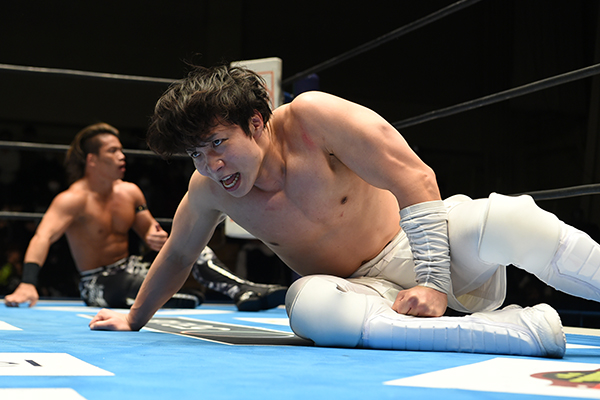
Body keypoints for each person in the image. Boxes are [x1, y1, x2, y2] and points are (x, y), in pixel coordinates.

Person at [89, 65, 600, 359]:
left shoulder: (314, 120)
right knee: (308, 306)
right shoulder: (209, 190)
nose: (211, 164)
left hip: (421, 245)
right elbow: (179, 255)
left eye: (218, 143)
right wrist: (135, 317)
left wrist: (434, 282)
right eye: (196, 153)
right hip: (367, 295)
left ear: (257, 122)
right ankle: (520, 334)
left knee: (512, 219)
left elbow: (415, 178)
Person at [3, 122, 287, 311]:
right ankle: (157, 299)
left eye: (121, 149)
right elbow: (42, 237)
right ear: (92, 160)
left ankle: (242, 290)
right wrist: (28, 282)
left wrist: (154, 235)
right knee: (179, 298)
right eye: (113, 151)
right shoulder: (72, 200)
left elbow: (155, 235)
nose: (122, 156)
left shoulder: (130, 193)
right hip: (97, 282)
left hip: (132, 268)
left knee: (194, 246)